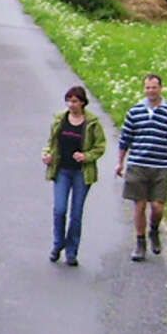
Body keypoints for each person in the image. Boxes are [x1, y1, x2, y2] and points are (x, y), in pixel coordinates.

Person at [114, 73, 167, 262]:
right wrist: (120, 162)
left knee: (158, 207)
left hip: (160, 165)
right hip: (138, 164)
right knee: (139, 205)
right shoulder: (135, 111)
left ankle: (154, 230)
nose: (151, 91)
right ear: (144, 89)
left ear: (161, 88)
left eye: (154, 87)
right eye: (148, 88)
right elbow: (125, 138)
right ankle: (140, 242)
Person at [41, 85, 106, 266]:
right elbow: (50, 142)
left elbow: (100, 146)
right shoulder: (60, 120)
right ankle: (57, 244)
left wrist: (86, 156)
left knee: (76, 214)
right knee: (59, 209)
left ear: (83, 102)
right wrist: (47, 154)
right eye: (69, 101)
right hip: (62, 170)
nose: (71, 104)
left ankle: (71, 251)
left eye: (75, 101)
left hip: (81, 173)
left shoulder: (92, 123)